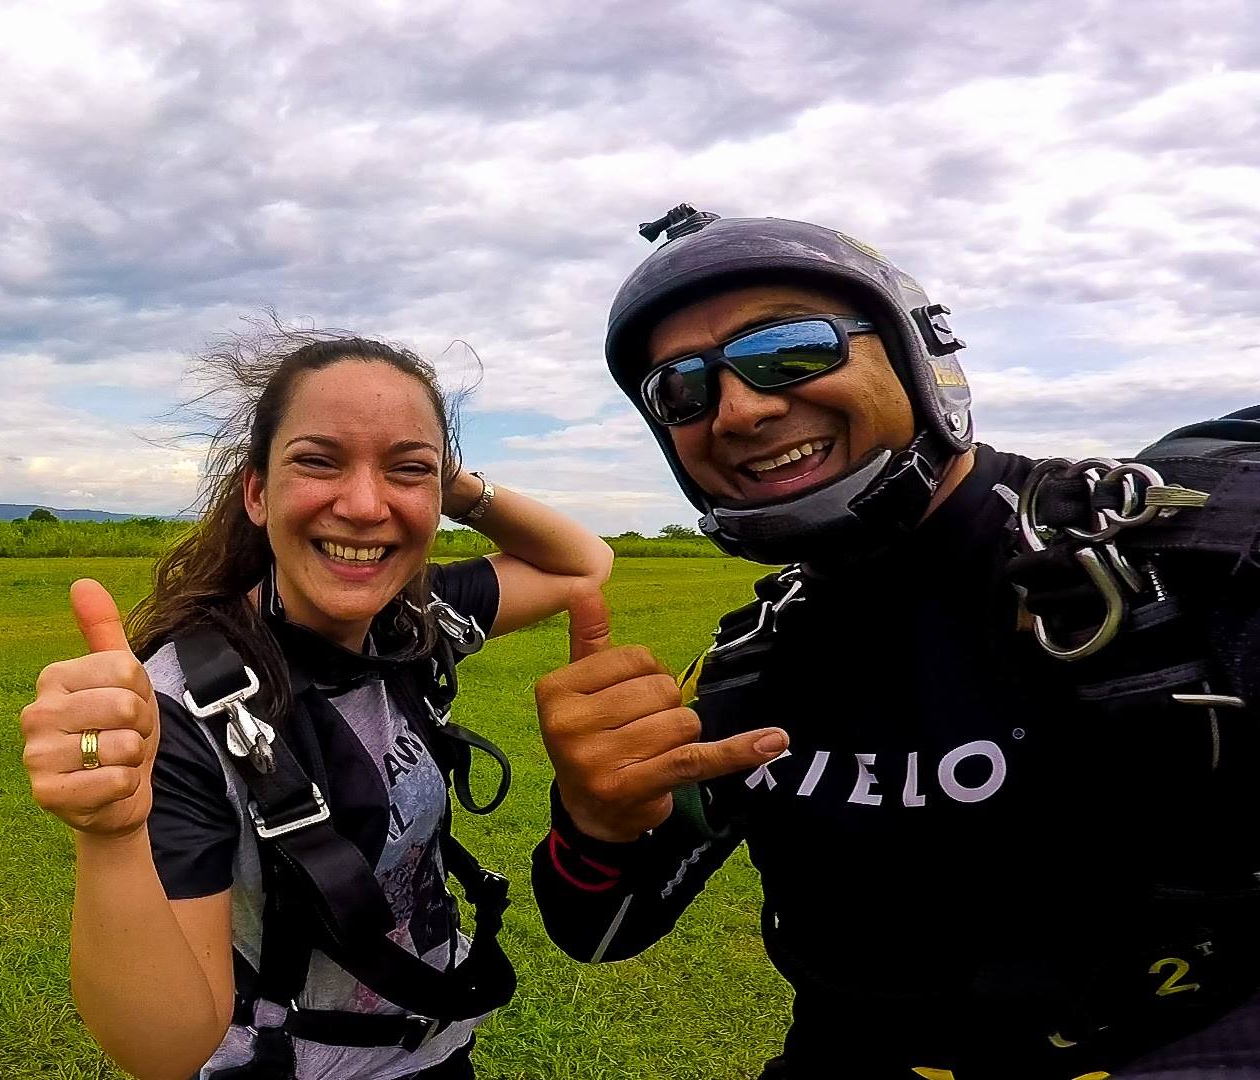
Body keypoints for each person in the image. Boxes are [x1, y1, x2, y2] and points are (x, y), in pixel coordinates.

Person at [530, 204, 1260, 1078]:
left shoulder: (1162, 571)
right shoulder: (752, 661)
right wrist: (595, 821)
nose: (739, 409)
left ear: (917, 357)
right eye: (681, 389)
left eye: (790, 350)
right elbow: (601, 929)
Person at [20, 327, 615, 1080]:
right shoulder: (180, 708)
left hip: (436, 1055)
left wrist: (445, 482)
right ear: (257, 494)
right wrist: (108, 836)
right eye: (318, 461)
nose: (366, 505)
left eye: (404, 471)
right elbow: (165, 1049)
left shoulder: (408, 620)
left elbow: (585, 563)